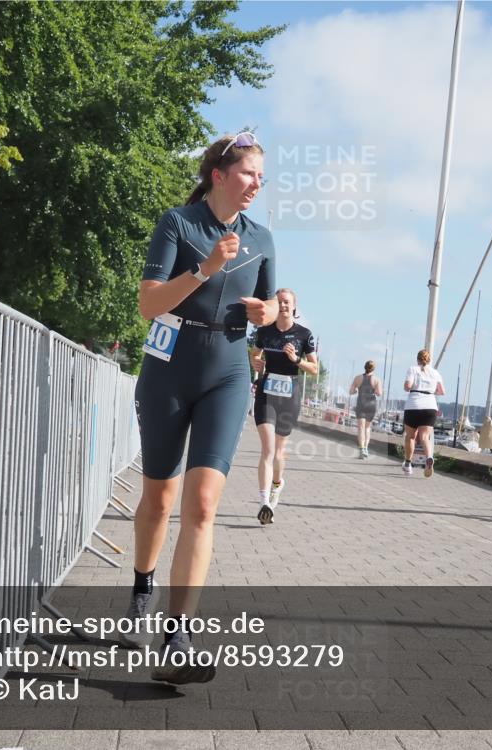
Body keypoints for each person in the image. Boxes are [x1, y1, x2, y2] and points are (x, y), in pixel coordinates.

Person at [128, 132, 278, 684]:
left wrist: (266, 314)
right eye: (248, 174)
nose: (257, 184)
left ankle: (177, 637)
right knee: (159, 499)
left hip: (229, 371)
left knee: (203, 505)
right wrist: (205, 269)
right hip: (169, 368)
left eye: (262, 176)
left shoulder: (262, 238)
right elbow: (148, 303)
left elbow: (267, 315)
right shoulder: (178, 223)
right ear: (219, 174)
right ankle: (143, 585)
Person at [250, 288, 319, 524]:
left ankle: (277, 484)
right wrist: (256, 363)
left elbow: (314, 368)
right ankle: (264, 502)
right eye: (279, 302)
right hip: (266, 392)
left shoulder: (304, 334)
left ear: (294, 306)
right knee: (268, 450)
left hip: (289, 394)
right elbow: (254, 353)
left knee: (279, 451)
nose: (283, 305)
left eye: (287, 302)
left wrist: (296, 360)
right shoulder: (264, 332)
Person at [402, 350, 445, 477]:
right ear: (429, 360)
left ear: (418, 359)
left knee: (410, 437)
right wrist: (430, 391)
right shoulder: (435, 373)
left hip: (413, 405)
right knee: (425, 437)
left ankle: (408, 464)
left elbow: (407, 386)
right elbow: (442, 391)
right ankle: (429, 457)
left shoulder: (413, 369)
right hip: (430, 406)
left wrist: (409, 386)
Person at [349, 361, 383, 458]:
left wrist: (356, 390)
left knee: (360, 428)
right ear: (374, 369)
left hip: (361, 403)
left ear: (365, 367)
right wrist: (375, 390)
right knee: (367, 428)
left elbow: (351, 391)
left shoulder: (358, 378)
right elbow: (379, 393)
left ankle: (361, 449)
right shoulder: (377, 380)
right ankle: (366, 449)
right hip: (371, 404)